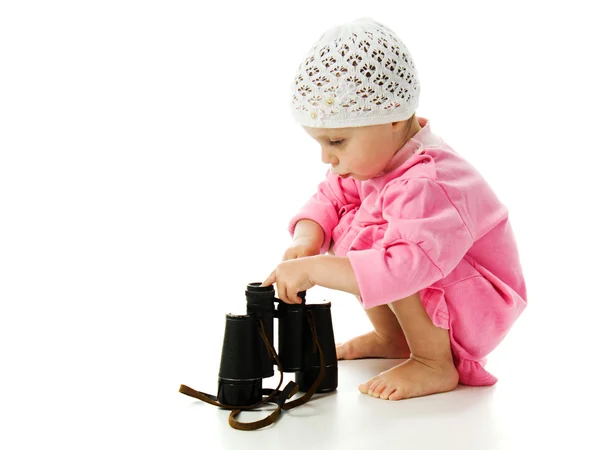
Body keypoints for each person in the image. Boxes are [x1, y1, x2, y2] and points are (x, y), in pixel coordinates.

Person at [261, 17, 527, 401]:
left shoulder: (426, 182)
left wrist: (317, 269)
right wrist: (307, 240)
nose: (326, 158)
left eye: (336, 141)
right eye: (320, 143)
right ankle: (397, 337)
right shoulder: (380, 160)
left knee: (389, 253)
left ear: (394, 117)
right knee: (349, 226)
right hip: (447, 290)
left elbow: (405, 267)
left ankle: (433, 362)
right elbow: (329, 198)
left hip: (479, 303)